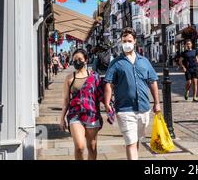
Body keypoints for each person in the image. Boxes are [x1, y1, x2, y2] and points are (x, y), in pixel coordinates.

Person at [104, 27, 161, 160]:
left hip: (144, 109)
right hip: (124, 109)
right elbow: (108, 83)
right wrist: (107, 103)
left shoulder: (144, 61)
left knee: (136, 141)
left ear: (135, 41)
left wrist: (157, 103)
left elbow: (153, 82)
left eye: (129, 40)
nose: (127, 43)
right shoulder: (116, 63)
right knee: (130, 142)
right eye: (124, 41)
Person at [59, 49, 105, 160]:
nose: (77, 62)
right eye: (75, 59)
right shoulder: (69, 78)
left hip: (92, 114)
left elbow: (101, 95)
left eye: (80, 59)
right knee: (79, 147)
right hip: (75, 115)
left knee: (92, 147)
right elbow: (66, 100)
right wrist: (62, 118)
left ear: (86, 60)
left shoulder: (94, 76)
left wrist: (109, 105)